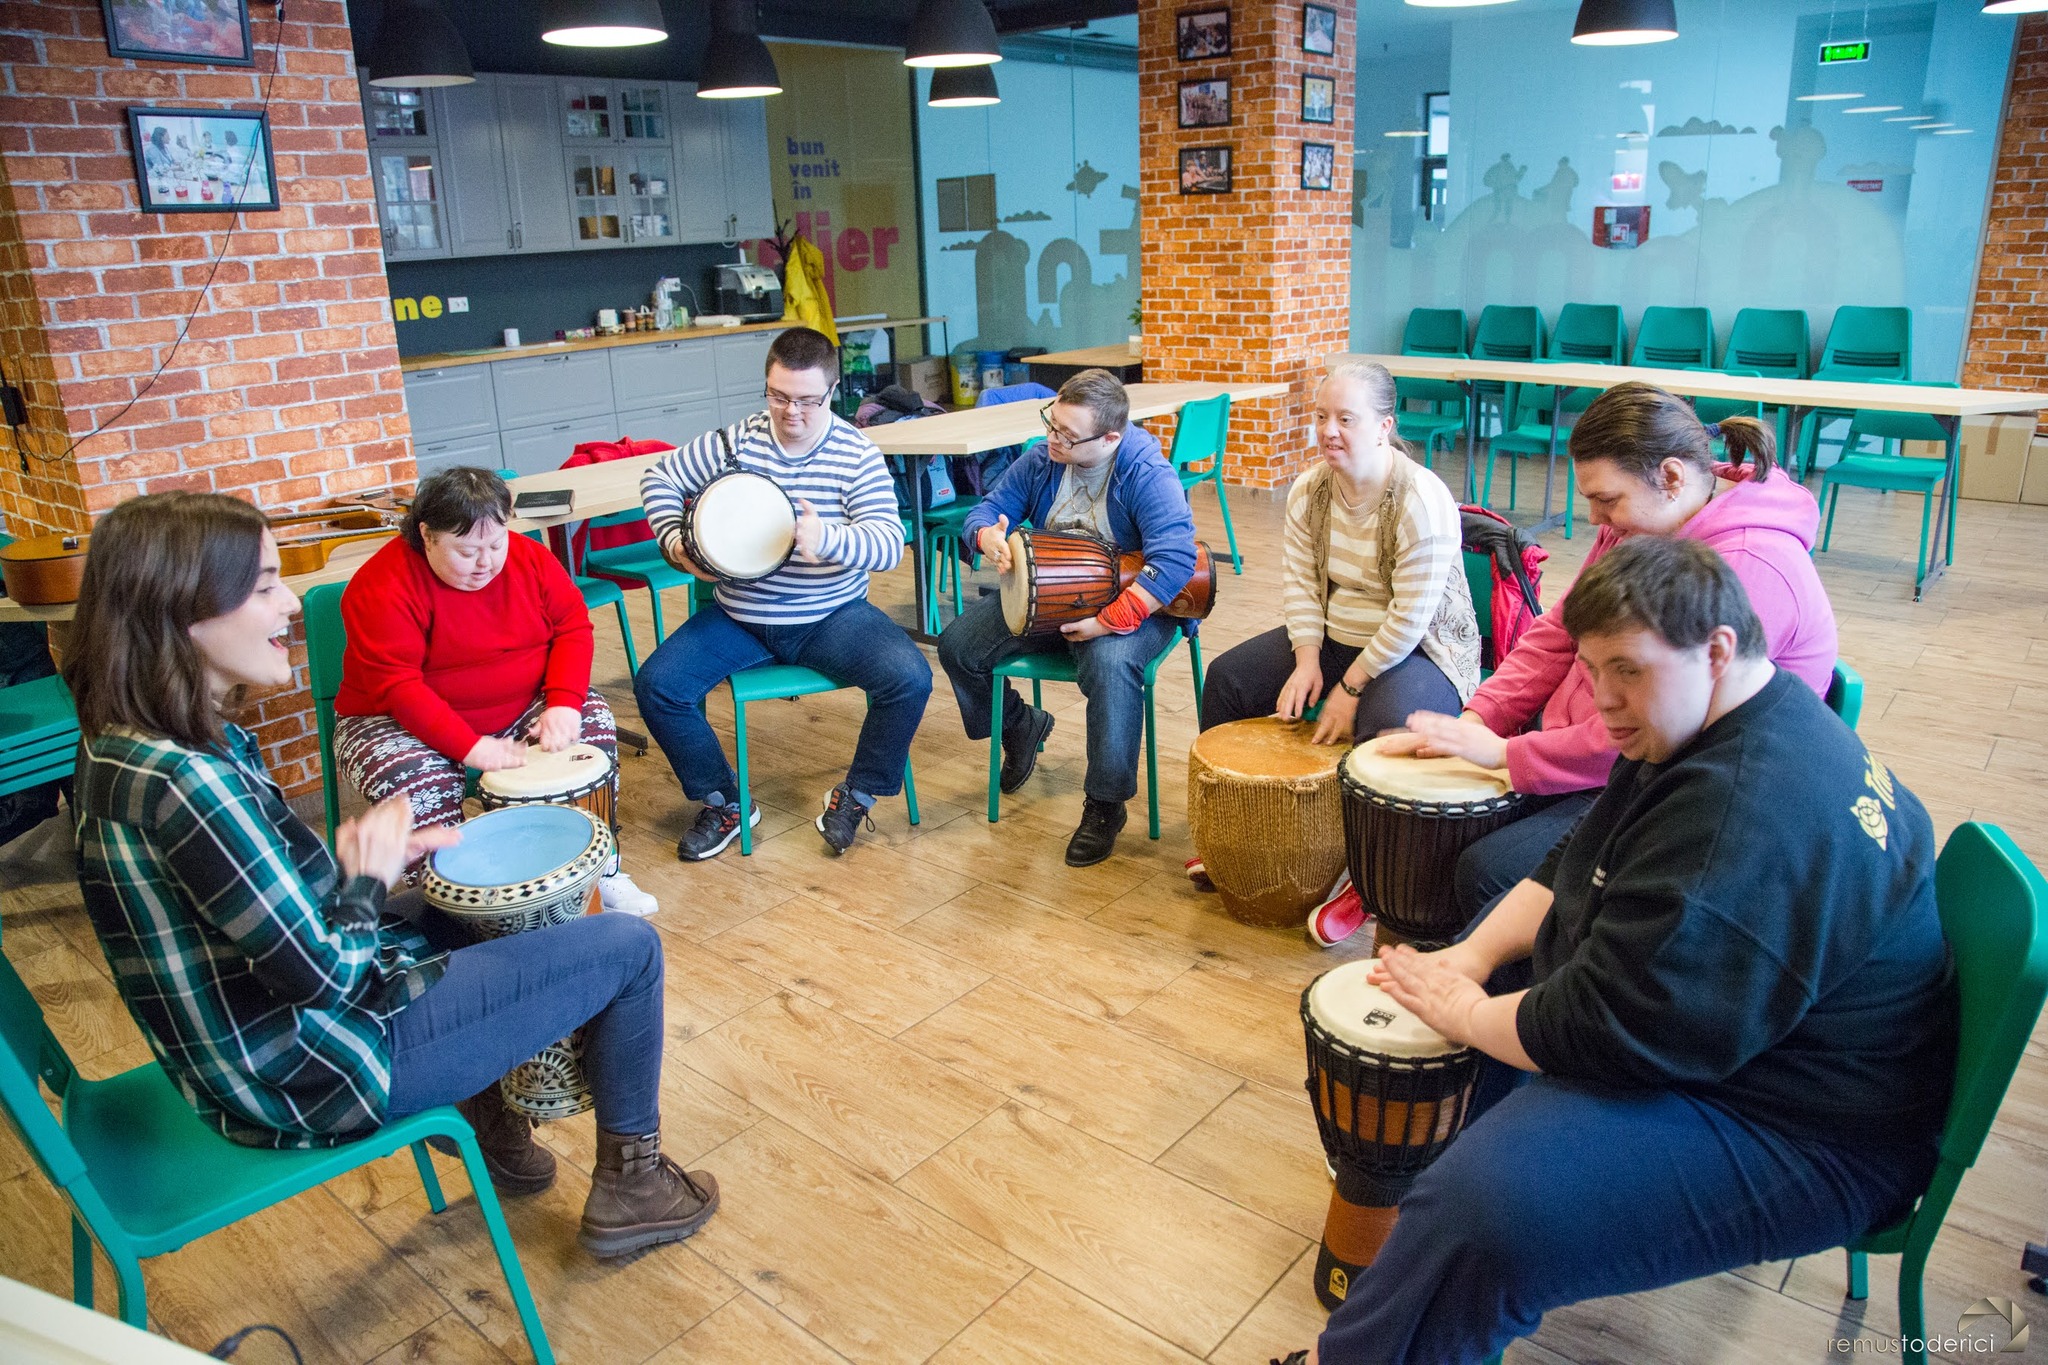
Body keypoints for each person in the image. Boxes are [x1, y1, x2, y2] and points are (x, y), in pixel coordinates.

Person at [1284, 536, 1954, 1365]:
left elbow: (1603, 1026)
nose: (1603, 700)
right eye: (1594, 669)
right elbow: (1578, 856)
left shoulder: (1744, 813)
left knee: (1481, 1210)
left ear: (1717, 648)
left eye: (1627, 670)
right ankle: (1424, 1285)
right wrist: (1470, 960)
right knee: (1496, 977)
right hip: (1761, 1041)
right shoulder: (1717, 718)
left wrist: (1466, 1011)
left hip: (1814, 1127)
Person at [63, 492, 717, 1258]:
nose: (290, 603)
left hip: (243, 1046)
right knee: (628, 949)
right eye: (264, 585)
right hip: (308, 1073)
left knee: (459, 902)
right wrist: (365, 879)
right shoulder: (190, 783)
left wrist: (357, 864)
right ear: (183, 612)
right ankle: (634, 1186)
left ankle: (490, 1122)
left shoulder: (129, 743)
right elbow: (325, 977)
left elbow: (246, 912)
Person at [1388, 381, 1837, 936]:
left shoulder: (1751, 566)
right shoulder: (1639, 524)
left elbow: (1656, 723)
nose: (1596, 519)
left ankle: (1523, 978)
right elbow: (1560, 630)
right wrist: (1481, 718)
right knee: (1445, 823)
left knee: (1489, 870)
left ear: (1671, 477)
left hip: (1670, 778)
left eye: (1607, 499)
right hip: (1597, 749)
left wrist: (1506, 753)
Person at [636, 325, 931, 859]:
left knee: (910, 679)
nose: (791, 412)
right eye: (778, 396)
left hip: (832, 616)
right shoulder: (733, 443)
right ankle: (726, 802)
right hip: (741, 616)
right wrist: (676, 541)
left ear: (833, 392)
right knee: (658, 686)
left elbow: (890, 545)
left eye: (807, 400)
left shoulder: (856, 454)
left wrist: (829, 538)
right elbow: (659, 478)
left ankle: (857, 796)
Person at [333, 467, 657, 916]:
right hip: (391, 721)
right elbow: (398, 687)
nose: (485, 563)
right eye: (467, 551)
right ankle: (450, 905)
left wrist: (564, 702)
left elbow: (572, 627)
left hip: (518, 704)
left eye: (496, 544)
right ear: (426, 536)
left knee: (592, 723)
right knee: (418, 777)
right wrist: (469, 746)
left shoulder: (529, 558)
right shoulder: (382, 584)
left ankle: (597, 872)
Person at [939, 368, 1200, 866]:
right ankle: (1021, 726)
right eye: (1051, 424)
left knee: (1109, 664)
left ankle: (1105, 804)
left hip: (1132, 601)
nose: (1052, 439)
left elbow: (1174, 559)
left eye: (1067, 435)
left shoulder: (1145, 471)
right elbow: (987, 510)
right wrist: (985, 536)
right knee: (957, 648)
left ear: (1110, 438)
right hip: (1049, 593)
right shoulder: (1044, 458)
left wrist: (1109, 622)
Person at [1200, 356, 1480, 745]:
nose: (1328, 431)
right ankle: (1235, 787)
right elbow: (1301, 586)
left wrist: (1350, 688)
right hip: (1335, 638)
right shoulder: (1309, 489)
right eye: (1321, 417)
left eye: (1345, 419)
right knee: (1226, 680)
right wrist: (1306, 660)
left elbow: (1409, 621)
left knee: (1381, 727)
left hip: (1419, 650)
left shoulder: (1421, 499)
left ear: (1384, 427)